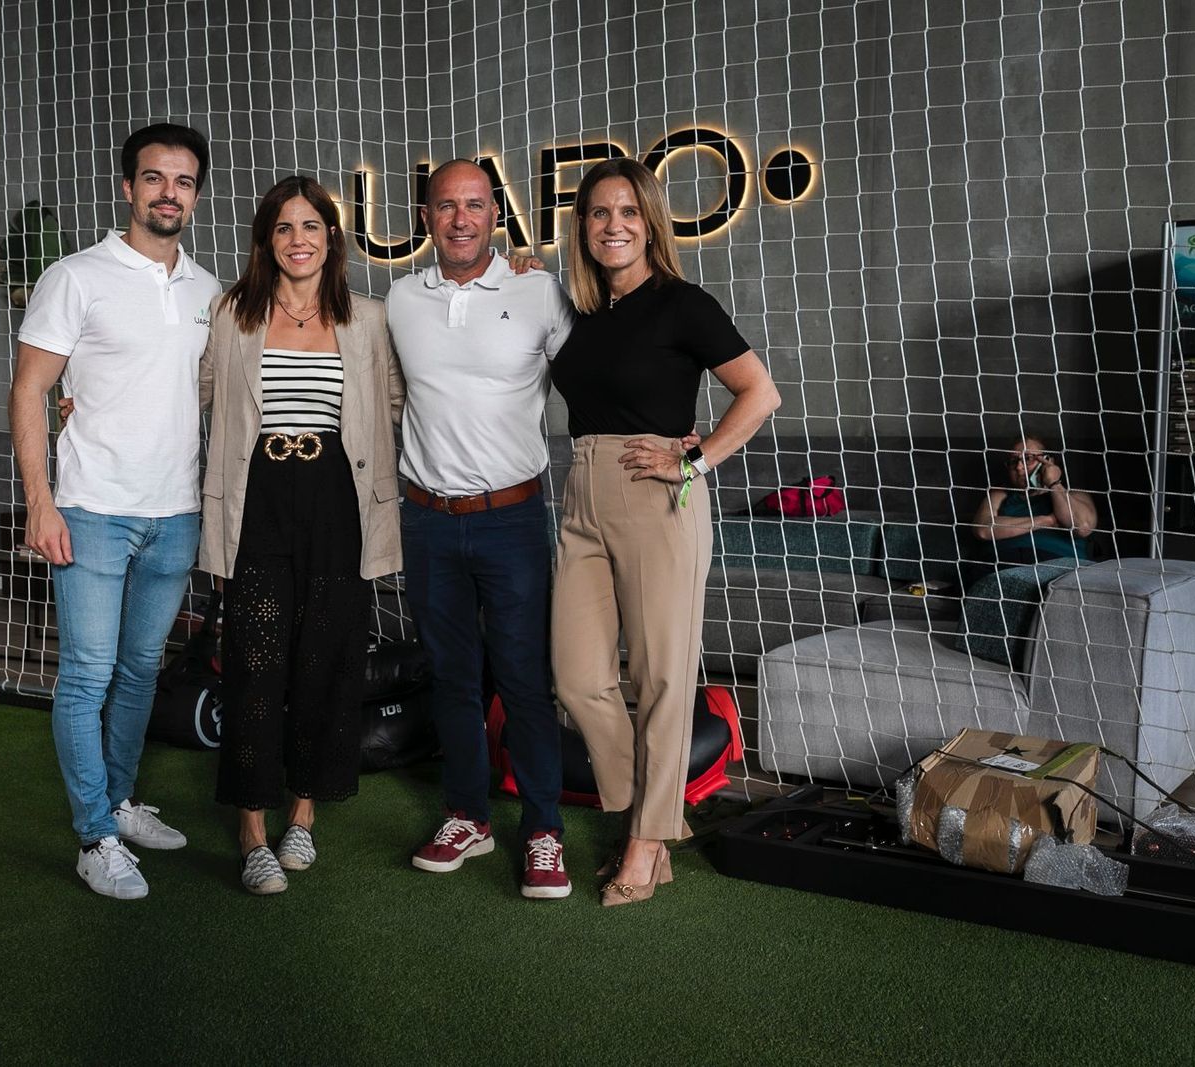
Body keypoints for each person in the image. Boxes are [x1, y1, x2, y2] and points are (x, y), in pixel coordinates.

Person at [549, 158, 780, 907]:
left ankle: (645, 845)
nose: (612, 225)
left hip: (657, 495)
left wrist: (698, 458)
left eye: (628, 212)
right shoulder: (582, 310)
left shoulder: (683, 303)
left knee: (660, 678)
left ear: (650, 222)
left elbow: (759, 390)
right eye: (597, 213)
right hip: (581, 492)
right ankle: (653, 807)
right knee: (579, 677)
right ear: (581, 226)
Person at [9, 123, 220, 900]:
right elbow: (30, 388)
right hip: (91, 509)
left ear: (196, 195)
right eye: (155, 178)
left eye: (185, 181)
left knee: (140, 672)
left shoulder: (207, 291)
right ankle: (94, 836)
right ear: (128, 188)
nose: (170, 192)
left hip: (176, 512)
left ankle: (122, 803)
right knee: (88, 675)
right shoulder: (76, 276)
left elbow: (203, 392)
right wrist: (40, 502)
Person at [196, 176, 404, 895]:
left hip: (338, 502)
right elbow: (184, 393)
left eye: (311, 226)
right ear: (266, 240)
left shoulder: (368, 319)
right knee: (254, 667)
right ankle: (251, 829)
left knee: (327, 662)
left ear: (331, 238)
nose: (298, 240)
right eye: (284, 227)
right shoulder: (232, 313)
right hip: (255, 501)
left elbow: (399, 403)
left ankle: (302, 816)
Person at [387, 159, 578, 900]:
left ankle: (543, 828)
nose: (460, 219)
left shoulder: (538, 291)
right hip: (428, 518)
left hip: (513, 519)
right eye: (445, 206)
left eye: (474, 205)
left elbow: (596, 376)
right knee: (452, 676)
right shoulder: (402, 299)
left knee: (527, 680)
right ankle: (467, 814)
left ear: (495, 214)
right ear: (427, 218)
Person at [971, 436, 1097, 565]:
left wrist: (1053, 483)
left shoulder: (1074, 495)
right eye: (1013, 461)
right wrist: (1048, 520)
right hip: (1003, 563)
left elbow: (1082, 527)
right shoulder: (1000, 494)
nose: (1019, 467)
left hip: (1058, 564)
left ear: (1048, 461)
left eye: (1028, 458)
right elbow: (983, 530)